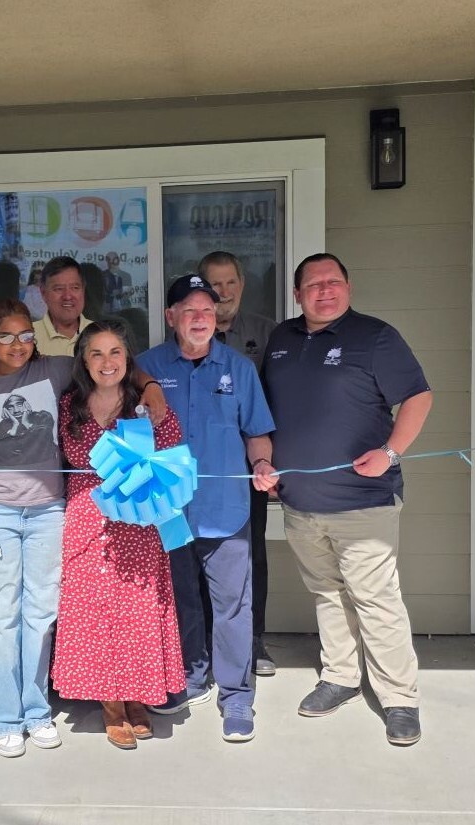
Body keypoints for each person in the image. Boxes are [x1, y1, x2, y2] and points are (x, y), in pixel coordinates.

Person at [0, 299, 165, 758]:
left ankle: (37, 710)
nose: (18, 344)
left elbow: (111, 363)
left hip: (48, 512)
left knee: (41, 615)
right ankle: (6, 717)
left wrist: (152, 385)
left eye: (26, 335)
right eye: (6, 335)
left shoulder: (57, 370)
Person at [260, 252, 433, 747]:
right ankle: (340, 676)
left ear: (349, 287)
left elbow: (418, 397)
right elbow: (270, 413)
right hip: (300, 503)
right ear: (298, 295)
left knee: (376, 599)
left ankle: (400, 698)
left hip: (364, 502)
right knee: (328, 594)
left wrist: (390, 452)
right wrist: (266, 463)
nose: (324, 291)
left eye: (333, 282)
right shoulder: (280, 341)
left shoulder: (375, 336)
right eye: (313, 284)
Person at [137, 274, 277, 743]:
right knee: (180, 598)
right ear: (170, 317)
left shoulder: (239, 369)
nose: (201, 319)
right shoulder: (146, 367)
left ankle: (237, 697)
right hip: (168, 512)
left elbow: (256, 430)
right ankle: (192, 676)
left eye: (208, 311)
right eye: (190, 310)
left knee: (233, 605)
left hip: (226, 510)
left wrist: (261, 463)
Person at [52, 319, 186, 750]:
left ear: (128, 359)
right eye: (97, 353)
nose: (106, 362)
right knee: (96, 614)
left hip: (139, 522)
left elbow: (172, 450)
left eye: (115, 353)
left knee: (137, 613)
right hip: (89, 520)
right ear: (84, 360)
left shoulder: (144, 404)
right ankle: (110, 704)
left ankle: (137, 698)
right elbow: (68, 457)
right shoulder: (69, 404)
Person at [198, 250, 279, 677]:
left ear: (242, 285)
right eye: (214, 284)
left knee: (252, 554)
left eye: (230, 283)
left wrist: (268, 461)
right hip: (202, 469)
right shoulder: (191, 336)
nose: (223, 292)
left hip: (253, 466)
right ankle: (207, 641)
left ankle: (253, 640)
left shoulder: (269, 334)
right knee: (199, 554)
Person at [33, 256, 92, 356]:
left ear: (83, 290)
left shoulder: (101, 334)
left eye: (75, 288)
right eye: (59, 289)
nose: (68, 296)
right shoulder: (27, 337)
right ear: (43, 293)